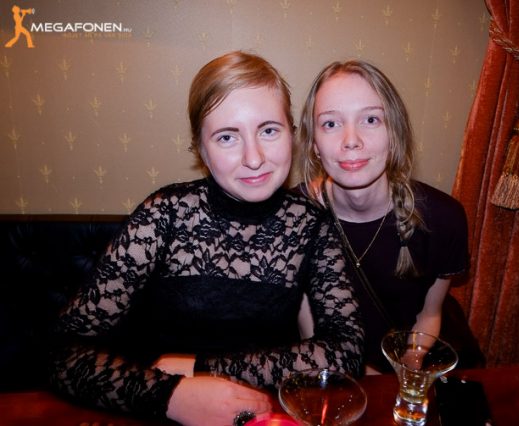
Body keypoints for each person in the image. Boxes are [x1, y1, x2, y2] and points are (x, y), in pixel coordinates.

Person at [48, 51, 363, 426]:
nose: (254, 158)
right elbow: (59, 350)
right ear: (201, 148)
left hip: (262, 415)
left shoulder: (310, 224)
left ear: (292, 135)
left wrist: (201, 369)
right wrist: (170, 395)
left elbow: (347, 350)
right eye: (227, 137)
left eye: (268, 130)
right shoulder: (164, 214)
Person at [296, 59, 484, 374]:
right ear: (314, 143)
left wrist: (407, 369)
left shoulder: (443, 218)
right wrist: (361, 377)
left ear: (394, 132)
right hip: (332, 366)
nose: (351, 140)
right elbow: (311, 333)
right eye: (330, 124)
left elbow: (429, 314)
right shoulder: (292, 218)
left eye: (371, 119)